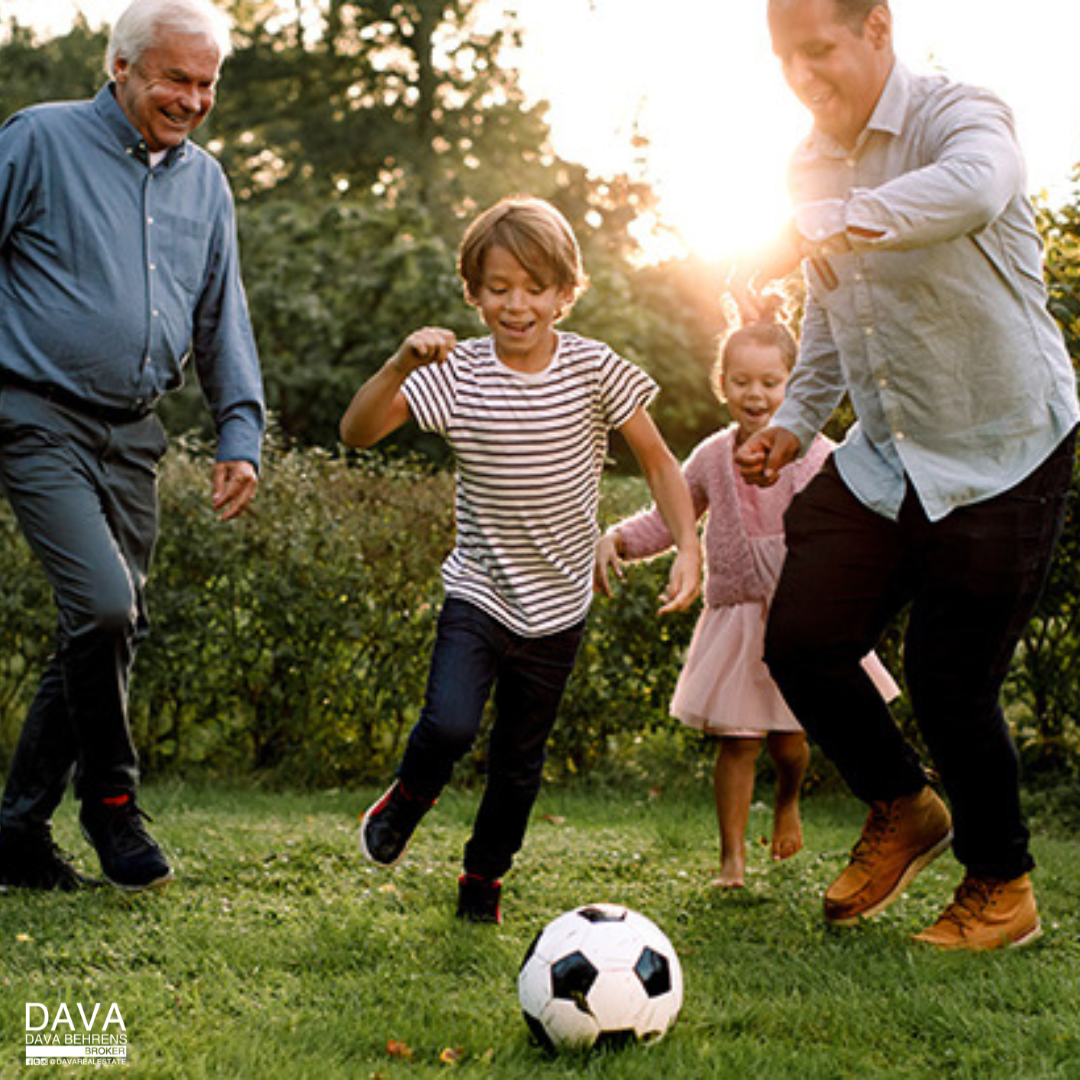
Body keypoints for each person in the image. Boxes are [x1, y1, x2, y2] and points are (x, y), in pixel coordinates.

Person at [733, 0, 1079, 949]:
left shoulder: (963, 115)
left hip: (1003, 447)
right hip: (889, 454)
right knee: (802, 639)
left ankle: (1002, 886)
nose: (800, 74)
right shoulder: (808, 163)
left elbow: (973, 188)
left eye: (817, 49)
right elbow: (837, 316)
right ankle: (904, 805)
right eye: (783, 57)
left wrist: (830, 219)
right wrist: (799, 422)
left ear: (876, 28)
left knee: (947, 678)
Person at [340, 195, 701, 924]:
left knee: (518, 766)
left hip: (561, 603)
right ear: (473, 292)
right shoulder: (456, 374)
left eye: (535, 288)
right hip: (478, 590)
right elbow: (357, 432)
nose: (517, 305)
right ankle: (410, 796)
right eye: (499, 288)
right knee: (447, 726)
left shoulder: (595, 369)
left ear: (566, 293)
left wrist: (688, 545)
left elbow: (661, 463)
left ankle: (483, 880)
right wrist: (398, 363)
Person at [0, 0, 265, 893]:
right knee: (108, 608)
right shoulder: (37, 142)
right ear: (119, 66)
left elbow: (223, 314)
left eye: (206, 84)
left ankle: (14, 831)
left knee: (102, 625)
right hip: (34, 414)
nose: (191, 99)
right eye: (174, 79)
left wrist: (241, 432)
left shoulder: (207, 184)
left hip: (133, 436)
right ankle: (114, 805)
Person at [595, 298, 897, 889]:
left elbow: (860, 519)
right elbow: (671, 517)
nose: (754, 394)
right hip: (737, 618)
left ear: (795, 384)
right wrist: (619, 540)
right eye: (741, 381)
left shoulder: (817, 456)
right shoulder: (711, 455)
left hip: (799, 616)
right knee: (737, 742)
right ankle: (731, 860)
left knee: (788, 743)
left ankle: (788, 799)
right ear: (722, 384)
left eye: (770, 382)